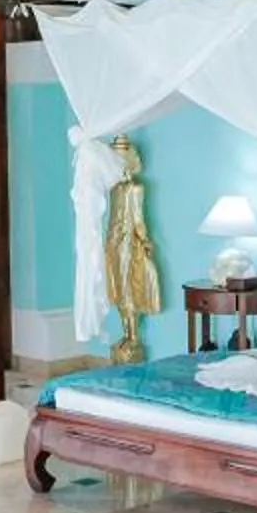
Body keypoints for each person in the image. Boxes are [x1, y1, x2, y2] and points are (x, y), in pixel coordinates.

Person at [103, 135, 164, 363]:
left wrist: (145, 240)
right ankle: (125, 334)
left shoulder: (135, 188)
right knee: (117, 289)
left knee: (128, 288)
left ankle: (133, 337)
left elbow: (138, 220)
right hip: (113, 242)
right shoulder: (114, 189)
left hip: (128, 242)